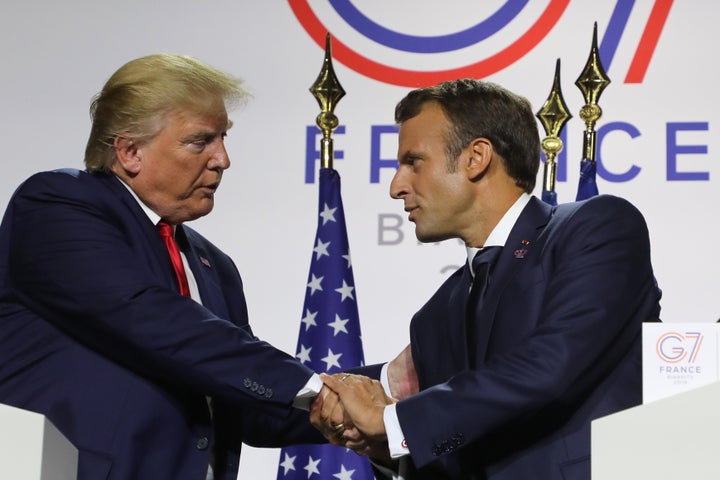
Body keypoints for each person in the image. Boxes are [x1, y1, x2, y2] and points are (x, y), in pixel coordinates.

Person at [311, 79, 662, 479]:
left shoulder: (596, 228)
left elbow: (551, 366)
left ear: (476, 158)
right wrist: (391, 450)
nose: (396, 186)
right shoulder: (436, 314)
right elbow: (464, 439)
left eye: (413, 162)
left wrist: (397, 422)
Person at [0, 54, 326, 480]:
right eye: (200, 141)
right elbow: (148, 316)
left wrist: (389, 395)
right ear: (130, 150)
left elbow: (249, 406)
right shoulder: (56, 205)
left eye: (223, 138)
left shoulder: (214, 266)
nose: (223, 159)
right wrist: (316, 388)